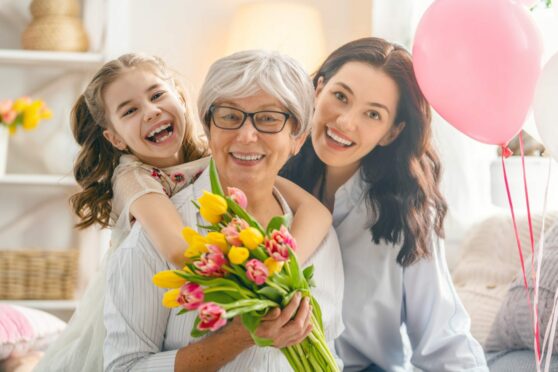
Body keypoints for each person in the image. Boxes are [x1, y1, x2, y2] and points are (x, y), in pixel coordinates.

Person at [35, 53, 331, 371]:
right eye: (130, 110)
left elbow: (316, 212)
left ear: (179, 94)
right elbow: (179, 252)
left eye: (157, 94)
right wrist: (257, 283)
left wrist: (284, 267)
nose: (150, 111)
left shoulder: (210, 152)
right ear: (115, 138)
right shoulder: (134, 178)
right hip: (126, 308)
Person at [281, 37, 488, 371]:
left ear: (392, 132)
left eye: (373, 114)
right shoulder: (270, 181)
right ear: (318, 89)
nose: (346, 122)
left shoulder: (407, 211)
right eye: (340, 96)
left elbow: (443, 339)